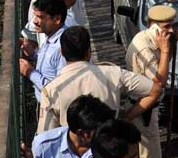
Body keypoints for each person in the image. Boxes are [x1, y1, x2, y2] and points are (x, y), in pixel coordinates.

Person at [37, 26, 165, 133]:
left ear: (62, 53)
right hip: (110, 148)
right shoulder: (114, 73)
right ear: (89, 52)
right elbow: (156, 90)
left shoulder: (51, 90)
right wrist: (127, 117)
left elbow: (46, 135)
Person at [126, 5, 178, 158]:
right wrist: (164, 50)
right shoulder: (145, 48)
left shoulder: (154, 38)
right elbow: (159, 82)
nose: (170, 30)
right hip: (142, 111)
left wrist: (171, 46)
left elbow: (164, 64)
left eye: (172, 25)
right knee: (151, 157)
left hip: (147, 107)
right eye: (166, 26)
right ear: (152, 25)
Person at [24, 95, 114, 158]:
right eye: (100, 131)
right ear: (83, 134)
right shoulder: (43, 146)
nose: (104, 135)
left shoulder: (109, 146)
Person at [19, 0, 68, 104]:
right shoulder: (50, 35)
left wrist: (30, 72)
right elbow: (51, 63)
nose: (35, 21)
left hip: (55, 110)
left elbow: (59, 89)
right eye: (35, 16)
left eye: (40, 17)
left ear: (57, 19)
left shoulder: (63, 46)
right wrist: (34, 53)